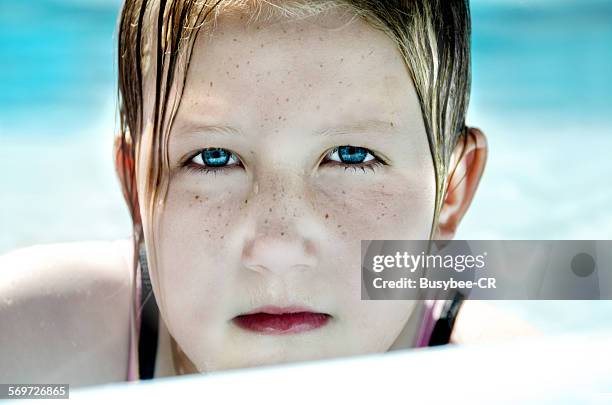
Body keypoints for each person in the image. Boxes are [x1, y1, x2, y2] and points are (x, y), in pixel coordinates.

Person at [1, 0, 535, 387]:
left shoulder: (513, 382)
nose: (277, 246)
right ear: (135, 190)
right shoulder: (29, 350)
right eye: (213, 159)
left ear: (452, 190)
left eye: (351, 156)